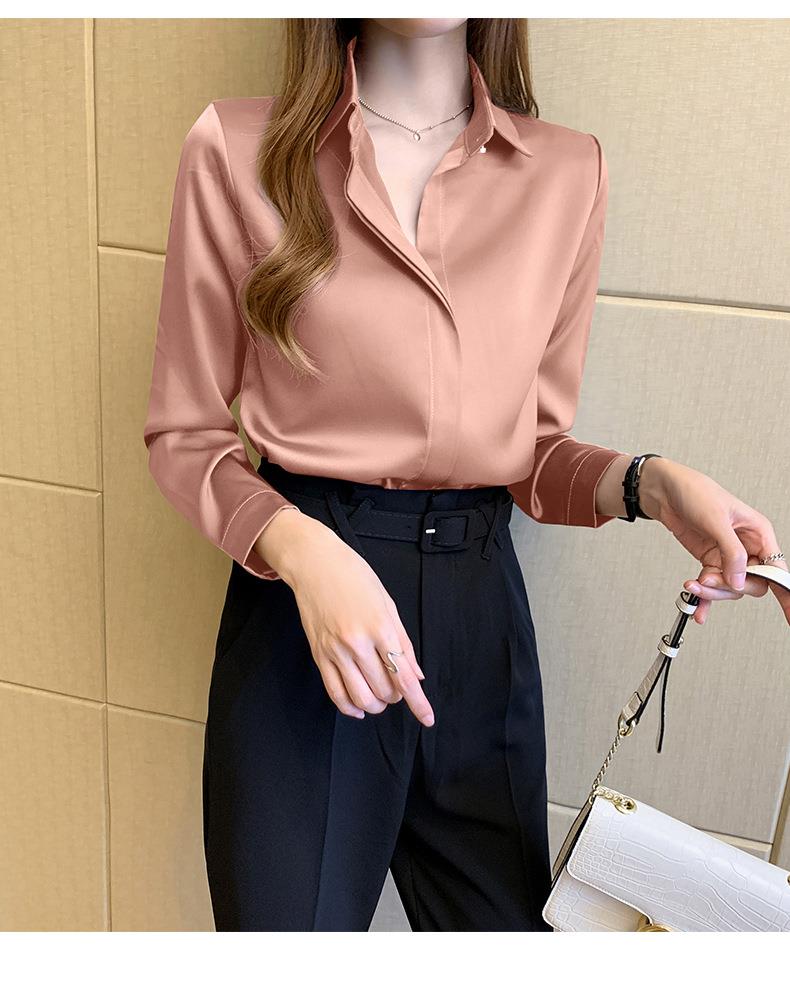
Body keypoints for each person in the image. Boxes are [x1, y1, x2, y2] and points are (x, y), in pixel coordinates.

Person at [142, 18, 789, 931]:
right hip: (301, 620)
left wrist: (651, 484)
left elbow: (532, 453)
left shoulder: (568, 173)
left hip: (481, 620)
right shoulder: (237, 150)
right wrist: (303, 549)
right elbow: (185, 433)